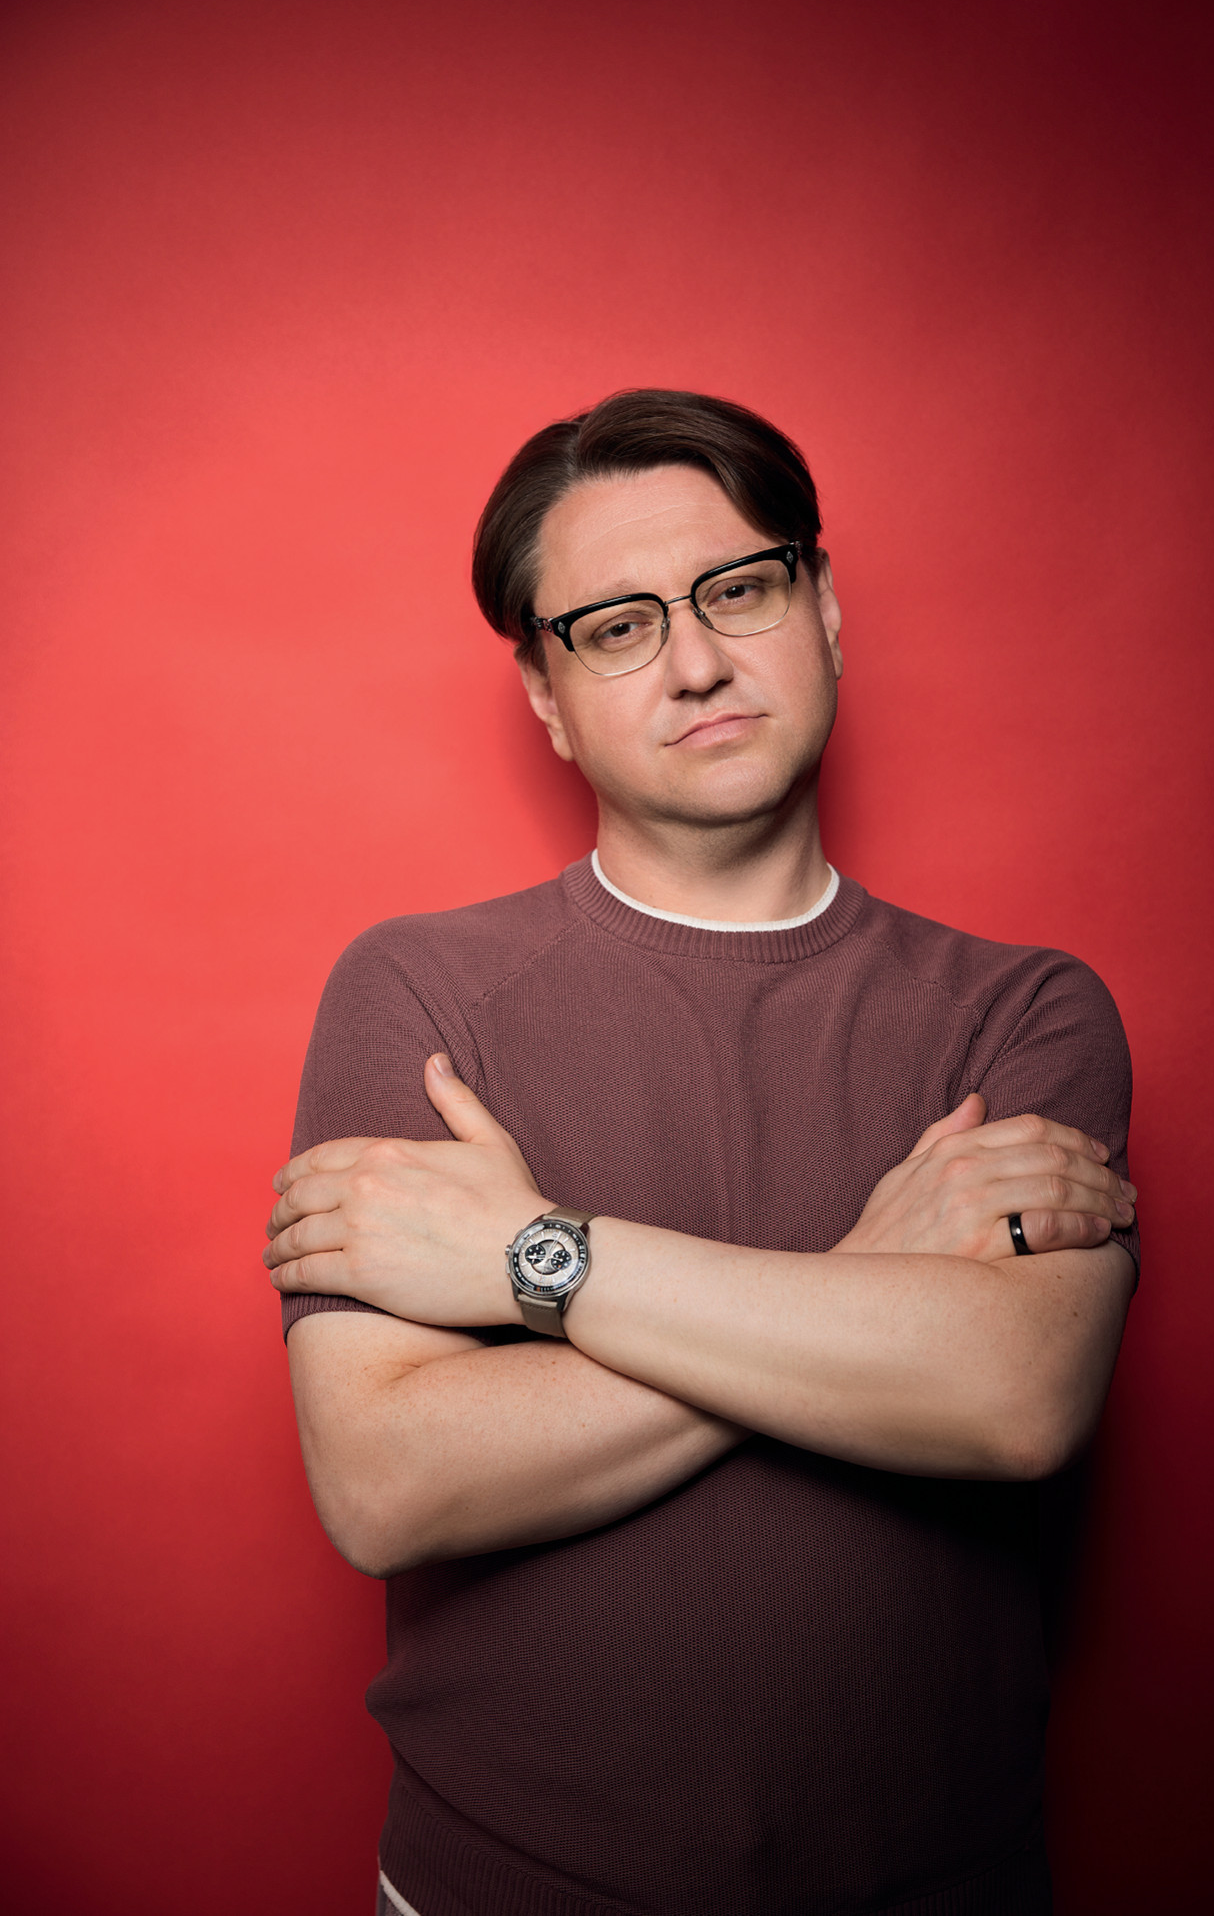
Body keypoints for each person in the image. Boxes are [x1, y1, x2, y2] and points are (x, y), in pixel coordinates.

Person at [265, 389, 1138, 1916]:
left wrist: (533, 1259)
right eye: (616, 626)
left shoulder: (1025, 1012)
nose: (695, 661)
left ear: (824, 608)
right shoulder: (419, 996)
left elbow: (1015, 1397)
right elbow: (389, 1486)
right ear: (545, 694)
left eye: (739, 589)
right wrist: (870, 1279)